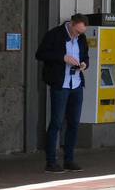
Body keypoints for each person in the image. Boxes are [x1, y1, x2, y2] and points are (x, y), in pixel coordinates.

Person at [35, 13, 88, 173]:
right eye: (77, 31)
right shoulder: (54, 34)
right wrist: (63, 57)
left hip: (77, 83)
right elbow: (40, 54)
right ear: (71, 24)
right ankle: (51, 162)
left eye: (81, 32)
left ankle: (69, 159)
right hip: (60, 84)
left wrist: (85, 64)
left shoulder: (82, 38)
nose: (78, 35)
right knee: (56, 123)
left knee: (73, 123)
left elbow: (85, 55)